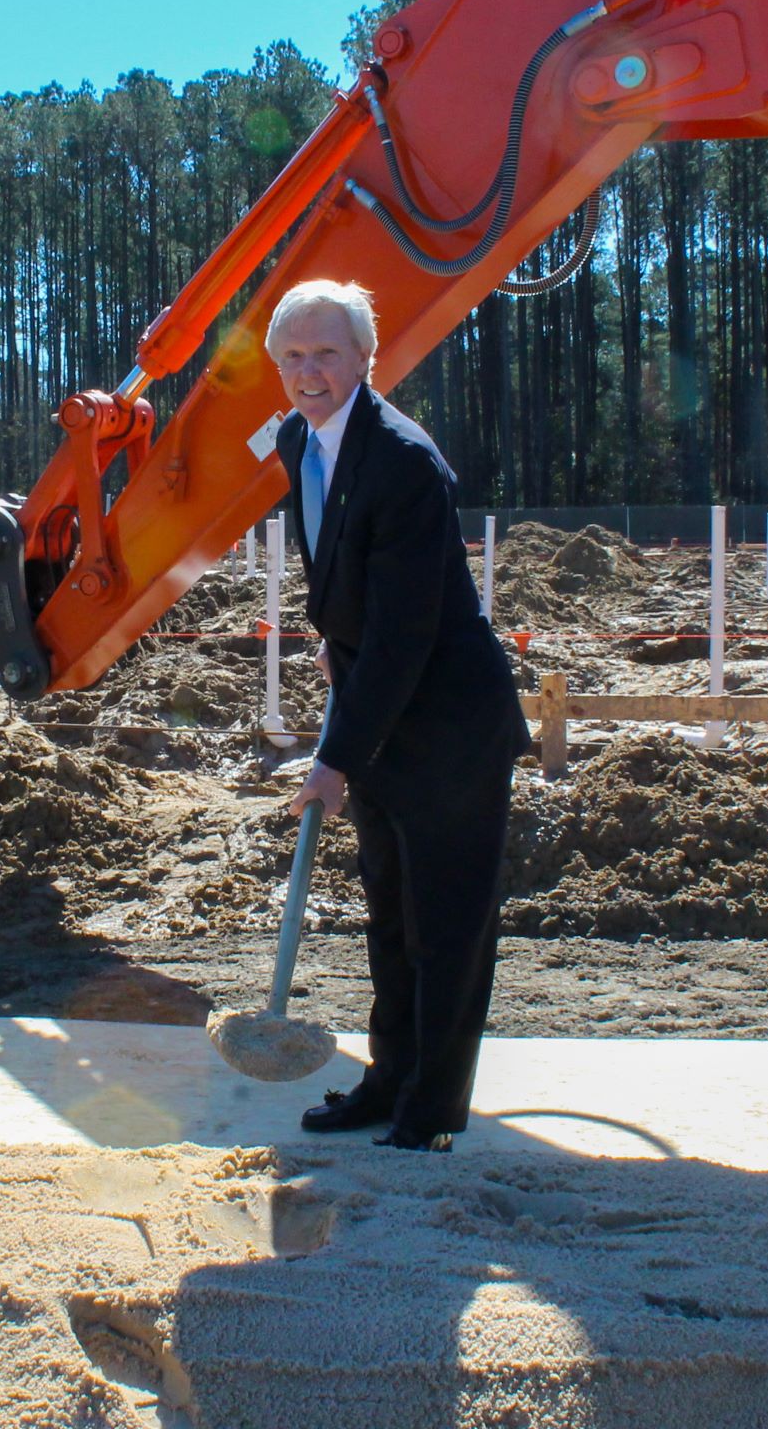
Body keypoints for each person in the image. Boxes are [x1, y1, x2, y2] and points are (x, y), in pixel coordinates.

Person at [270, 280, 530, 1152]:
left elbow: (406, 632)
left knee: (444, 927)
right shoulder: (297, 441)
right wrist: (334, 643)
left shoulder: (403, 461)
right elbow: (347, 582)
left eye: (326, 353)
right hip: (379, 704)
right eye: (293, 356)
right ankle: (389, 1081)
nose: (309, 371)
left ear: (365, 357)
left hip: (447, 724)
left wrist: (333, 760)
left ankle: (430, 1111)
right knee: (389, 914)